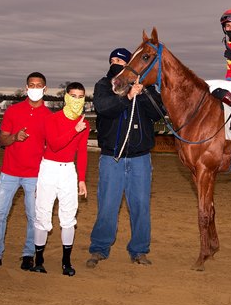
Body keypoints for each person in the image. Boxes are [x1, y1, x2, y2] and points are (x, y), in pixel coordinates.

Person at [86, 48, 163, 268]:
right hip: (113, 158)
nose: (115, 63)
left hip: (140, 158)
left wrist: (144, 93)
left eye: (120, 60)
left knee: (140, 206)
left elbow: (158, 113)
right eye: (112, 60)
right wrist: (128, 96)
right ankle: (99, 248)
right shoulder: (104, 85)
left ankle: (139, 250)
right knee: (107, 205)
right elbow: (104, 108)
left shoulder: (147, 86)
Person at [30, 82, 89, 276]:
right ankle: (38, 259)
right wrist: (75, 130)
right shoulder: (52, 119)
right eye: (74, 96)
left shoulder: (84, 123)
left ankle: (66, 261)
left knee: (68, 217)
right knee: (43, 213)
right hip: (49, 168)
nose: (77, 100)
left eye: (81, 97)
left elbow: (81, 153)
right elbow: (55, 145)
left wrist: (81, 179)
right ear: (66, 97)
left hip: (68, 171)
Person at [0, 72, 52, 269]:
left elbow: (53, 146)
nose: (35, 88)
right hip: (9, 172)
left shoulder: (49, 117)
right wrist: (14, 137)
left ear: (44, 89)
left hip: (34, 175)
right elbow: (2, 139)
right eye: (32, 85)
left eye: (39, 85)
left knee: (33, 216)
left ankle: (29, 254)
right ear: (26, 87)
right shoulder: (13, 111)